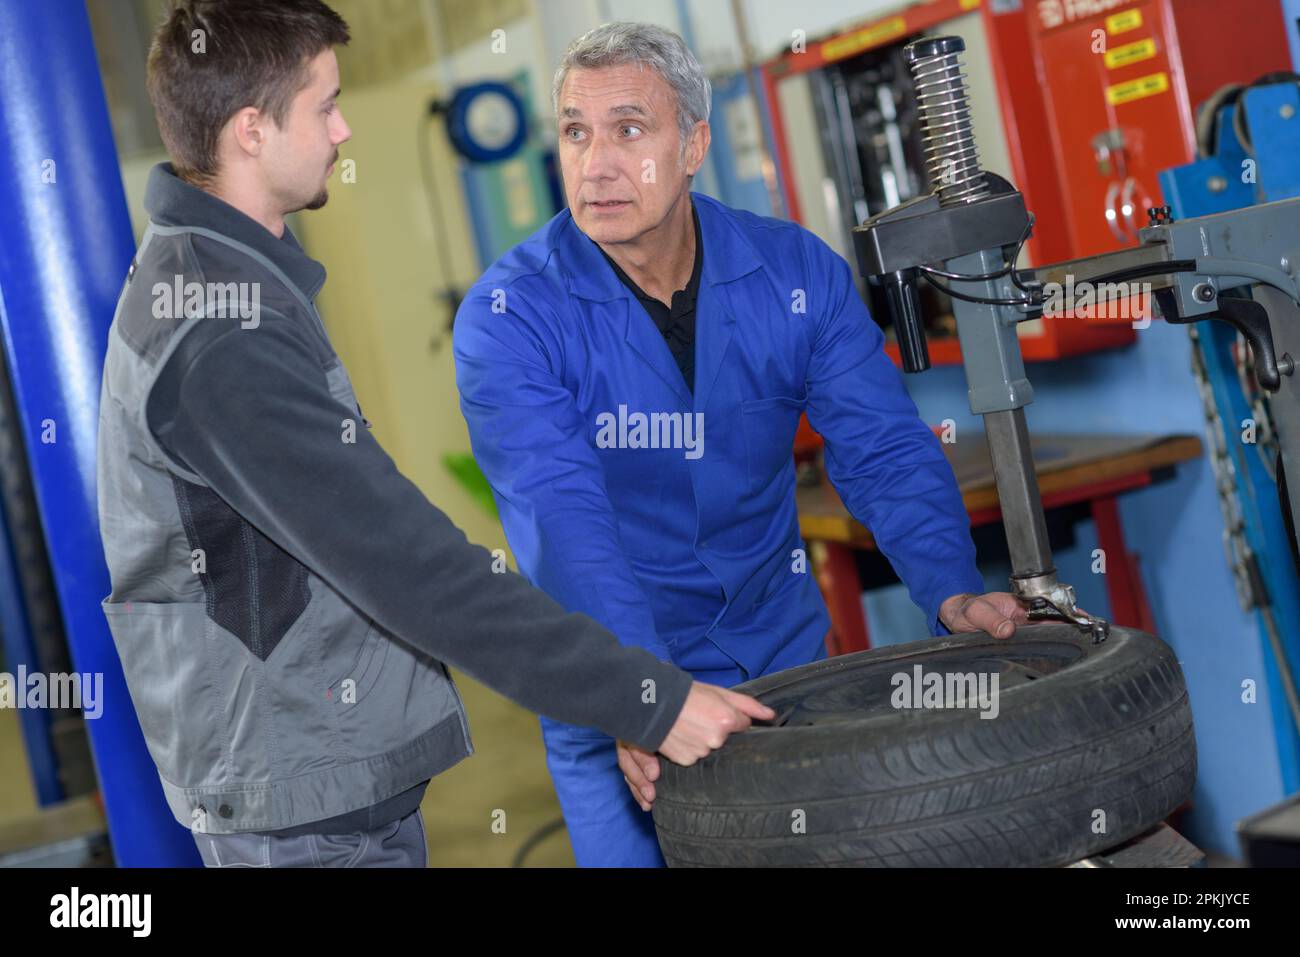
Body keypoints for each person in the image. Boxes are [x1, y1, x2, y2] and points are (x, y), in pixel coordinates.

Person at [97, 0, 769, 869]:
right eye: (324, 105)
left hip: (322, 770)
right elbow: (409, 567)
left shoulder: (234, 277)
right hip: (298, 799)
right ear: (253, 131)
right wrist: (650, 701)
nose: (343, 129)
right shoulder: (222, 331)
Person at [453, 21, 1028, 868]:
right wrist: (641, 697)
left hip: (782, 662)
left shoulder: (794, 273)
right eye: (576, 131)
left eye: (629, 129)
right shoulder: (511, 321)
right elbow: (565, 525)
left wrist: (950, 587)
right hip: (613, 689)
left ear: (694, 144)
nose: (597, 162)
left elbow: (881, 444)